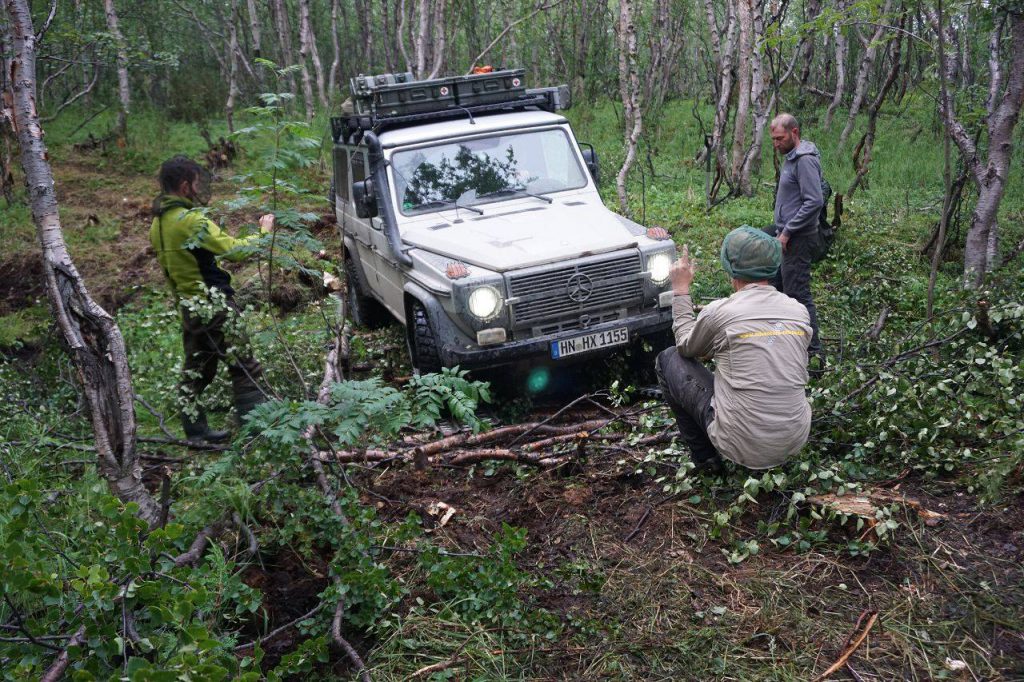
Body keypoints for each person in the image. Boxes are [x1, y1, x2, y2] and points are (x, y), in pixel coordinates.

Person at [655, 227, 812, 472]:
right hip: (795, 439)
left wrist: (681, 291)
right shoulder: (798, 311)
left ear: (730, 269)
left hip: (739, 445)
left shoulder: (720, 312)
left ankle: (706, 460)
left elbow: (685, 346)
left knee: (669, 358)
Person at [150, 156, 272, 443]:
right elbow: (235, 251)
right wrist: (264, 234)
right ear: (184, 186)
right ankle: (257, 433)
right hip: (215, 306)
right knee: (244, 366)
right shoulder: (190, 221)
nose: (198, 188)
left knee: (197, 371)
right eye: (195, 183)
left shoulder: (157, 224)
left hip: (190, 308)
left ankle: (195, 433)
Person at [765, 113, 823, 361]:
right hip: (785, 236)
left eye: (780, 138)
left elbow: (814, 202)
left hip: (798, 239)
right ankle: (781, 344)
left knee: (798, 295)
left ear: (794, 132)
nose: (776, 144)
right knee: (779, 289)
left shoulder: (804, 160)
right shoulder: (791, 158)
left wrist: (788, 231)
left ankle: (814, 354)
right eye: (773, 139)